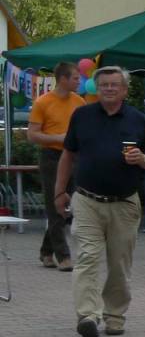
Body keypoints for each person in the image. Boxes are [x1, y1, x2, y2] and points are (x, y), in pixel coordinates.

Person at [53, 66, 145, 337]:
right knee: (87, 257)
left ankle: (114, 315)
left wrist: (143, 159)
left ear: (124, 90)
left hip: (124, 203)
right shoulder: (82, 116)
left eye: (115, 85)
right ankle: (88, 316)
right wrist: (59, 192)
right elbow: (67, 155)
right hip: (87, 199)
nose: (109, 89)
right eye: (104, 85)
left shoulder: (137, 120)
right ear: (96, 88)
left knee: (119, 263)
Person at [27, 61, 85, 271]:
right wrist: (57, 138)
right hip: (51, 156)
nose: (79, 81)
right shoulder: (43, 102)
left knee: (67, 206)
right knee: (55, 204)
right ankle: (63, 256)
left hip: (74, 156)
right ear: (63, 79)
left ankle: (45, 251)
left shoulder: (79, 102)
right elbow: (32, 135)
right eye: (76, 78)